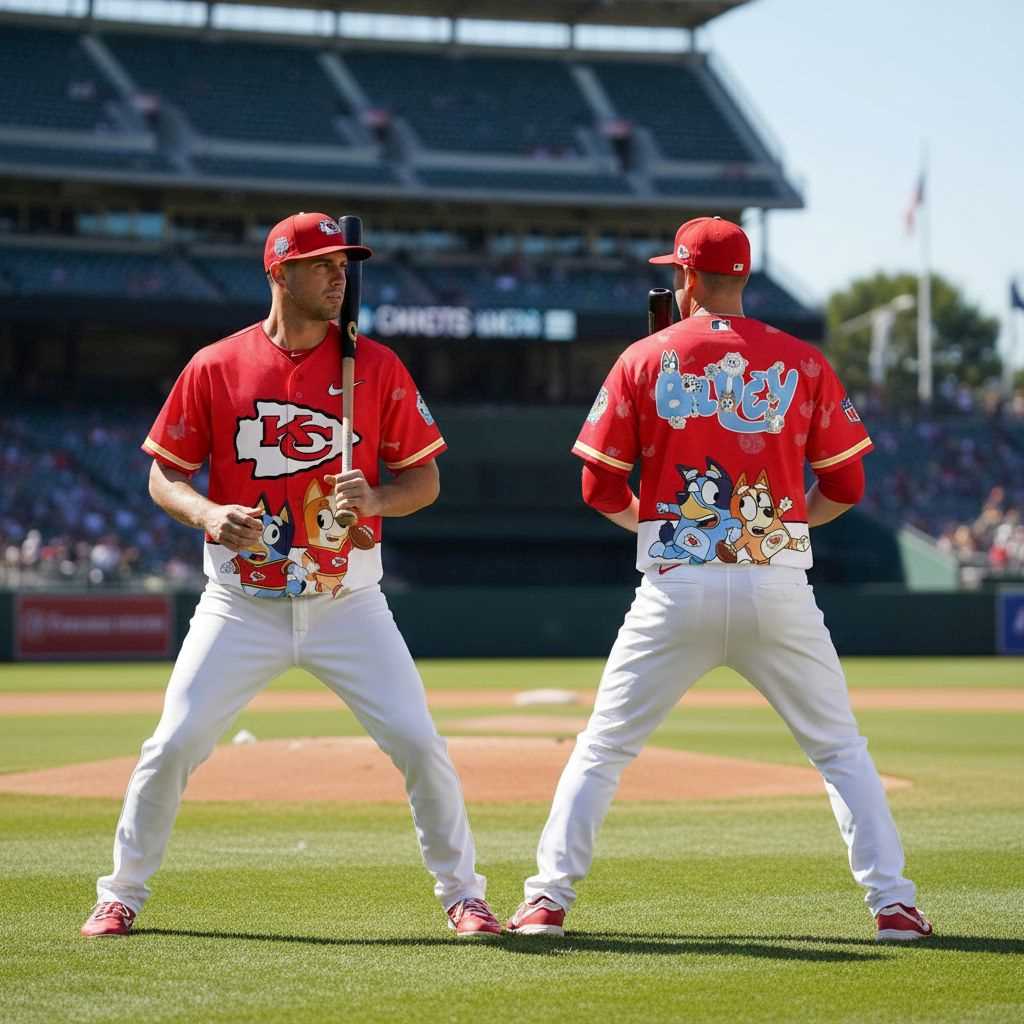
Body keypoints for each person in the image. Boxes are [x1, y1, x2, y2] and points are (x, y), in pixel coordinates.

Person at [507, 217, 932, 943]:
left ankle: (548, 900)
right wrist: (785, 525)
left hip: (676, 582)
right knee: (839, 751)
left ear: (686, 277)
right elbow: (847, 486)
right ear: (744, 276)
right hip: (777, 581)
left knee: (603, 749)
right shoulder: (802, 360)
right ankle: (892, 905)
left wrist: (655, 527)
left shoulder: (644, 359)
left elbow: (597, 488)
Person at [81, 211, 501, 940]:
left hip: (349, 602)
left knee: (419, 743)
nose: (340, 277)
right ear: (279, 271)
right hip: (240, 603)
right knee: (173, 744)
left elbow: (425, 480)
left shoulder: (377, 366)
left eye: (344, 266)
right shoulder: (216, 365)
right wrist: (209, 513)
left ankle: (464, 895)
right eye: (323, 265)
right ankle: (120, 893)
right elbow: (163, 476)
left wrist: (379, 499)